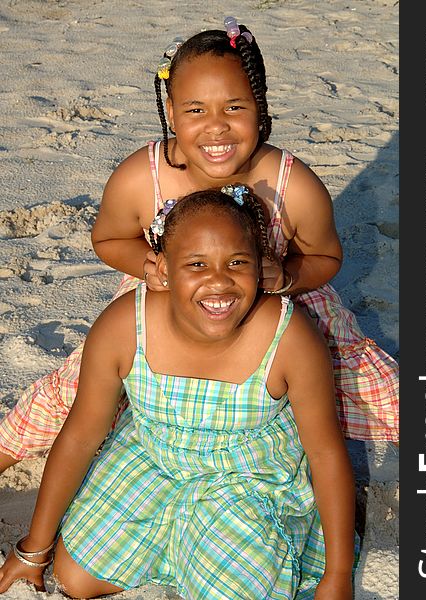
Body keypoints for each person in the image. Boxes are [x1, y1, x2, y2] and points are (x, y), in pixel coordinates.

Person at [0, 17, 398, 474]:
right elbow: (108, 239)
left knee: (355, 375)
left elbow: (326, 257)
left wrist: (289, 276)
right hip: (171, 291)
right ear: (171, 112)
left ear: (260, 107)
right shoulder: (142, 177)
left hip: (277, 293)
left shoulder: (293, 185)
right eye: (195, 111)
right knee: (80, 381)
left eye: (234, 108)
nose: (216, 129)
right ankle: (8, 450)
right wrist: (146, 264)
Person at [0, 187, 357, 599]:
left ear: (261, 266)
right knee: (77, 579)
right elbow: (80, 437)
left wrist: (338, 574)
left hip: (243, 482)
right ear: (164, 269)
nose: (219, 281)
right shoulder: (124, 325)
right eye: (197, 264)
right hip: (154, 460)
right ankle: (174, 552)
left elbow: (327, 454)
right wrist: (34, 549)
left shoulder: (290, 337)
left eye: (237, 262)